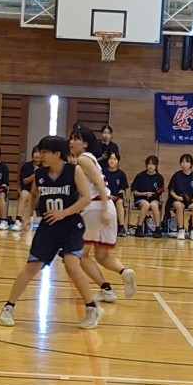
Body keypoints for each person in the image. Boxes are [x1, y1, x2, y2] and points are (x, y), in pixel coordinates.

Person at [0, 135, 104, 330]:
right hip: (48, 225)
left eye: (44, 152)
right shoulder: (39, 174)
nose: (40, 155)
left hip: (71, 224)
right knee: (32, 267)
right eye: (40, 151)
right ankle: (8, 307)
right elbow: (33, 195)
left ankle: (92, 308)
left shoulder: (74, 170)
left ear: (57, 154)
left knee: (72, 265)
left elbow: (86, 199)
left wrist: (64, 213)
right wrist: (28, 216)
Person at [69, 126, 136, 304]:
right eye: (71, 138)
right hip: (106, 207)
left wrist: (104, 209)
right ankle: (125, 271)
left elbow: (99, 183)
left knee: (80, 255)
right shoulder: (93, 160)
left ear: (85, 143)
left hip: (96, 207)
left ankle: (106, 289)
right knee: (102, 256)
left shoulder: (83, 159)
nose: (71, 142)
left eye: (75, 139)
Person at [167, 153, 193, 241]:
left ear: (191, 164)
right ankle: (181, 230)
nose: (184, 164)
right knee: (180, 206)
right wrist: (178, 198)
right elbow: (171, 191)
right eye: (182, 162)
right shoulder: (176, 175)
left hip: (189, 201)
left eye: (187, 162)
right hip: (177, 200)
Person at [130, 155, 165, 238]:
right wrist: (144, 194)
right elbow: (134, 192)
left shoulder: (159, 177)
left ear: (156, 166)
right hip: (141, 199)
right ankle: (139, 227)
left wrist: (157, 193)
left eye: (153, 164)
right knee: (146, 204)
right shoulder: (140, 176)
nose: (151, 166)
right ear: (146, 165)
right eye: (149, 164)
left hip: (154, 199)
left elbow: (161, 190)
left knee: (153, 205)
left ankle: (157, 228)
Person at [10, 145, 41, 232]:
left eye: (39, 152)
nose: (37, 155)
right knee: (23, 195)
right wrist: (34, 175)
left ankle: (32, 219)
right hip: (28, 190)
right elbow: (24, 182)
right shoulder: (26, 166)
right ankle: (18, 220)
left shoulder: (45, 167)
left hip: (40, 192)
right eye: (35, 152)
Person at [102, 152, 129, 237]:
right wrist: (108, 195)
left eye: (114, 159)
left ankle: (121, 227)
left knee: (120, 202)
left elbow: (123, 189)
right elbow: (100, 187)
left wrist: (118, 195)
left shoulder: (121, 174)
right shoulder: (103, 172)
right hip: (105, 196)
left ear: (118, 161)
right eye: (110, 159)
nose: (112, 161)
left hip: (117, 197)